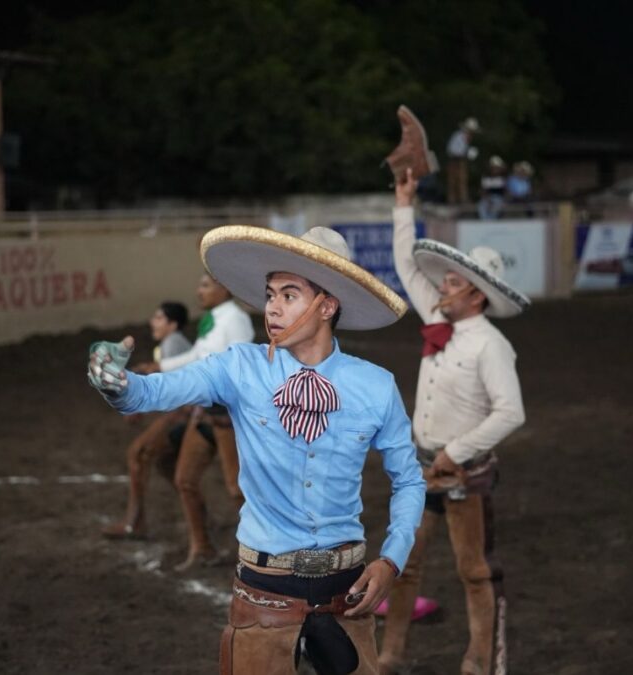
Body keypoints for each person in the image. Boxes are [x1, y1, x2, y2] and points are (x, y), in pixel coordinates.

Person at [88, 225, 425, 674]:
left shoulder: (376, 386)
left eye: (289, 295)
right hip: (264, 590)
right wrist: (118, 384)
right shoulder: (239, 366)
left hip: (347, 592)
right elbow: (153, 392)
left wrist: (391, 560)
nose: (272, 308)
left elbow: (409, 479)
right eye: (270, 295)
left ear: (327, 306)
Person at [380, 169, 529, 675]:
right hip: (422, 467)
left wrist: (455, 452)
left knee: (473, 569)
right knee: (405, 563)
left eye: (453, 282)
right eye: (444, 280)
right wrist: (404, 202)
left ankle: (478, 660)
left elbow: (511, 412)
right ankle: (392, 654)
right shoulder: (439, 319)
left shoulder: (491, 345)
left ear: (476, 296)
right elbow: (405, 264)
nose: (442, 286)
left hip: (462, 470)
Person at [135, 274, 254, 569]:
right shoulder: (213, 320)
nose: (199, 292)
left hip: (228, 415)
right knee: (185, 479)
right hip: (209, 412)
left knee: (237, 489)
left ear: (224, 288)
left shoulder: (235, 319)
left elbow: (238, 365)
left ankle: (263, 552)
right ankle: (202, 548)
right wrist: (161, 366)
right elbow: (198, 356)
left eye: (205, 286)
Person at [101, 301, 192, 540]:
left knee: (138, 454)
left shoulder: (173, 344)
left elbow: (175, 390)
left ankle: (134, 523)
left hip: (186, 413)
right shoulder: (173, 344)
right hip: (189, 412)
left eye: (159, 318)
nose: (153, 322)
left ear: (173, 324)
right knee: (166, 463)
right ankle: (201, 516)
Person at [446, 118, 480, 204]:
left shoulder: (465, 138)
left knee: (462, 180)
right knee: (454, 181)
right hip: (455, 160)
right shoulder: (458, 136)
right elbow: (452, 149)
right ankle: (454, 200)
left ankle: (461, 199)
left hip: (460, 160)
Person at [478, 156, 508, 220]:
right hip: (487, 198)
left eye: (497, 168)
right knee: (481, 206)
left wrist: (505, 200)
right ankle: (485, 221)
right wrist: (487, 199)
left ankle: (491, 221)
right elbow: (483, 191)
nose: (495, 169)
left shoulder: (503, 178)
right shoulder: (486, 178)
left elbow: (505, 192)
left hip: (499, 199)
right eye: (493, 167)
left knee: (496, 206)